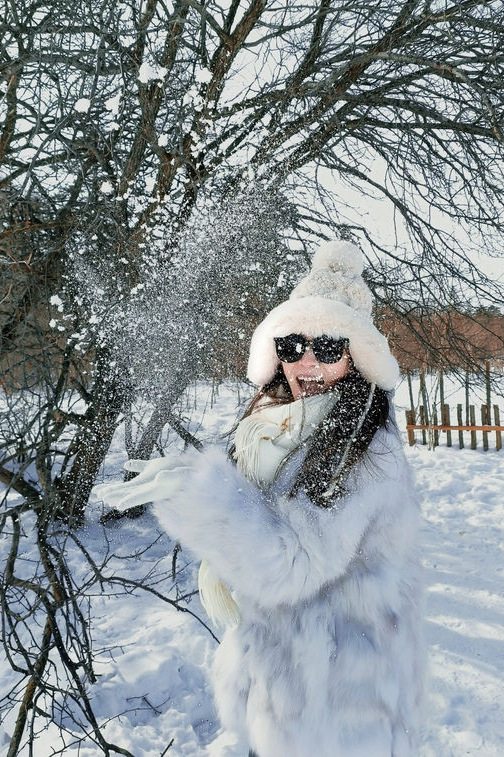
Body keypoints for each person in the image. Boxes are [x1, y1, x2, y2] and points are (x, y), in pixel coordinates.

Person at [100, 241, 424, 757]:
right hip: (287, 686)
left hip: (341, 706)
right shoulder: (276, 430)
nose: (308, 363)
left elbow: (291, 564)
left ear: (358, 357)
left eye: (329, 347)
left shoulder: (368, 450)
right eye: (294, 347)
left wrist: (197, 493)